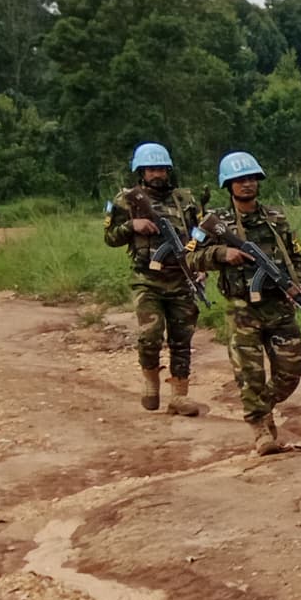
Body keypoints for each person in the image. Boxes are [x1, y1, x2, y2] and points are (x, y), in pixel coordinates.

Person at [188, 151, 301, 456]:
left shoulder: (275, 218)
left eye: (252, 178)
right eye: (240, 180)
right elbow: (189, 257)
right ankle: (260, 429)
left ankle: (263, 406)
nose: (247, 184)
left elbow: (294, 255)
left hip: (279, 305)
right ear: (228, 185)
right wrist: (221, 254)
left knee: (293, 367)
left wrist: (297, 283)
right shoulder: (213, 222)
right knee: (249, 372)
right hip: (242, 308)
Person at [101, 141, 206, 417]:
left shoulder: (185, 200)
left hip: (182, 278)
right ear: (141, 172)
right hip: (146, 279)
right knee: (150, 335)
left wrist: (200, 263)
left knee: (182, 339)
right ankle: (150, 381)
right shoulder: (126, 200)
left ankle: (179, 396)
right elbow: (110, 237)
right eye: (151, 170)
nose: (157, 174)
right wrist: (131, 225)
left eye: (161, 169)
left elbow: (201, 233)